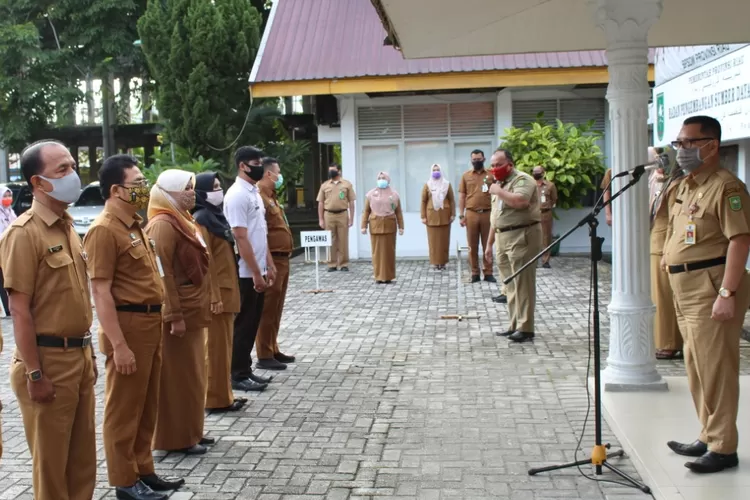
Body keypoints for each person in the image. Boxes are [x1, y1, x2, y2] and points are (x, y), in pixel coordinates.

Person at [0, 140, 96, 500]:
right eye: (63, 169)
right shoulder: (24, 234)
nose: (73, 174)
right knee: (52, 468)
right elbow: (19, 310)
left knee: (83, 462)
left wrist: (90, 354)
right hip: (47, 361)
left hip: (79, 356)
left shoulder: (67, 226)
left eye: (73, 165)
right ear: (38, 183)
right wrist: (34, 373)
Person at [85, 155, 184, 499]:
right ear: (116, 190)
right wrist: (119, 344)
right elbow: (100, 292)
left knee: (146, 404)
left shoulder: (135, 225)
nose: (145, 190)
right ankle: (124, 481)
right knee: (123, 409)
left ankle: (144, 470)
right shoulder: (103, 230)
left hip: (149, 322)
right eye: (138, 184)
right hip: (127, 325)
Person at [663, 115, 750, 474]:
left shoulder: (727, 187)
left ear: (711, 145)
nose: (680, 150)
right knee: (696, 367)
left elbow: (740, 239)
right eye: (678, 144)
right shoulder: (685, 185)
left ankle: (723, 447)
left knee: (716, 368)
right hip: (684, 287)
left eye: (687, 143)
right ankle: (708, 433)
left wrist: (727, 292)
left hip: (711, 286)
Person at [145, 169, 212, 455]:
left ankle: (192, 430)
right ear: (167, 193)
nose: (191, 192)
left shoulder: (184, 220)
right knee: (176, 379)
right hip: (179, 314)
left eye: (192, 187)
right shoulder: (162, 224)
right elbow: (163, 275)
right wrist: (174, 316)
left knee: (194, 375)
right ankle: (175, 438)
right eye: (185, 188)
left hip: (193, 308)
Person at [192, 172, 247, 413]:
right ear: (201, 192)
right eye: (213, 187)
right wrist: (212, 294)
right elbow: (205, 262)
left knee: (224, 346)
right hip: (218, 295)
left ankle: (224, 395)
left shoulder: (217, 216)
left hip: (227, 289)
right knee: (214, 348)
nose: (218, 191)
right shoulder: (202, 219)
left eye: (218, 186)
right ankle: (213, 399)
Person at [224, 146, 276, 392]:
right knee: (243, 323)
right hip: (245, 271)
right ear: (242, 165)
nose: (259, 166)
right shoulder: (236, 195)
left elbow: (260, 233)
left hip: (258, 266)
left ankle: (245, 368)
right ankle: (236, 373)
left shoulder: (254, 192)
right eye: (255, 162)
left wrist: (268, 263)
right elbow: (240, 237)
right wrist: (255, 272)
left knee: (253, 321)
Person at [485, 149, 542, 344]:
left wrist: (498, 191)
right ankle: (514, 324)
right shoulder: (499, 183)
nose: (494, 169)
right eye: (492, 165)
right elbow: (496, 217)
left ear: (510, 164)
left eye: (498, 164)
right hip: (502, 236)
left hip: (522, 234)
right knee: (508, 284)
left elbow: (521, 201)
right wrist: (489, 243)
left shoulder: (523, 180)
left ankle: (526, 328)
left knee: (522, 283)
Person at [256, 157, 296, 370]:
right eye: (278, 172)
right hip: (272, 258)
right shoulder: (259, 197)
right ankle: (263, 353)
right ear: (269, 174)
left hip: (283, 258)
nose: (280, 176)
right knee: (268, 308)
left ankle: (273, 347)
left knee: (277, 307)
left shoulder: (272, 196)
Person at [648, 150, 684, 361]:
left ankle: (668, 343)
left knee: (663, 298)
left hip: (664, 246)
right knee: (659, 296)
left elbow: (673, 220)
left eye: (664, 160)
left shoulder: (678, 185)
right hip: (657, 242)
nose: (660, 165)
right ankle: (665, 340)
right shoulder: (666, 183)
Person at [458, 150, 496, 283]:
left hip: (488, 213)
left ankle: (488, 272)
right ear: (471, 160)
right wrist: (461, 215)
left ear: (484, 159)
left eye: (479, 159)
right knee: (472, 245)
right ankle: (474, 272)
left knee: (488, 244)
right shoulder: (466, 176)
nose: (476, 161)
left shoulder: (491, 175)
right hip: (471, 214)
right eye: (474, 159)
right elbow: (462, 196)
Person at [361, 172, 404, 284]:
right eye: (379, 178)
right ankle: (378, 276)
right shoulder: (371, 194)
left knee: (389, 251)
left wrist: (401, 226)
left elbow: (398, 212)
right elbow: (366, 211)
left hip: (390, 226)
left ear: (388, 180)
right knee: (377, 252)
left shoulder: (394, 195)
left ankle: (389, 276)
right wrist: (363, 226)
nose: (381, 180)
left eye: (383, 178)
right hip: (375, 226)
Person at [317, 162, 356, 272]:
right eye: (329, 170)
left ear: (339, 171)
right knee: (330, 240)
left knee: (343, 240)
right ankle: (332, 264)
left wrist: (351, 218)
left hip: (342, 214)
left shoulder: (346, 184)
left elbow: (351, 202)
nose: (331, 172)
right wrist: (320, 219)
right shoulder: (324, 185)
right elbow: (320, 203)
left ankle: (344, 263)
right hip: (328, 214)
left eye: (333, 170)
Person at [420, 164, 455, 270]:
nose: (436, 172)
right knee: (433, 241)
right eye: (434, 170)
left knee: (444, 240)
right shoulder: (427, 185)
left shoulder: (447, 184)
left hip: (445, 216)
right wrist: (423, 216)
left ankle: (443, 262)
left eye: (438, 170)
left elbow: (452, 200)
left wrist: (453, 214)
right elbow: (423, 201)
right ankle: (435, 262)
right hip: (431, 217)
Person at [532, 165, 557, 269]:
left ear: (543, 173)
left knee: (546, 237)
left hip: (545, 213)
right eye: (534, 171)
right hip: (532, 214)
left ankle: (545, 261)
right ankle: (533, 261)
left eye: (538, 171)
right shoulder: (530, 185)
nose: (536, 173)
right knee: (532, 237)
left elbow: (554, 199)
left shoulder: (550, 185)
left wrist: (546, 206)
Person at [0, 185, 17, 315]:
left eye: (9, 196)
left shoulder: (10, 211)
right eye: (4, 196)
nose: (7, 198)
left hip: (10, 249)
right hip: (1, 250)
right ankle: (7, 309)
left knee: (10, 278)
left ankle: (10, 307)